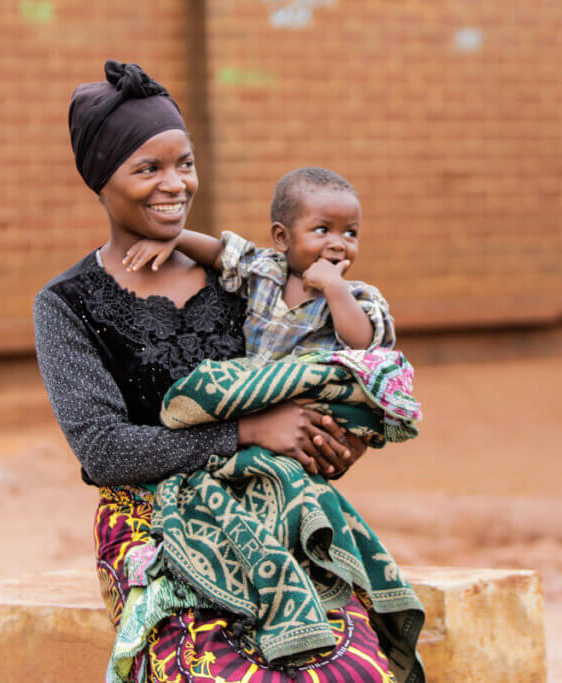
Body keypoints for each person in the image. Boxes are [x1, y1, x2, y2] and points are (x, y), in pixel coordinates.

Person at [33, 60, 405, 681]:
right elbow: (102, 451)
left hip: (277, 510)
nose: (175, 184)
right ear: (101, 180)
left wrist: (333, 442)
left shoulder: (250, 282)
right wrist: (248, 433)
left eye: (184, 163)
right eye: (147, 168)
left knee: (347, 670)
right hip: (153, 523)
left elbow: (331, 374)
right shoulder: (68, 304)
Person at [121, 166, 395, 371]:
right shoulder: (266, 273)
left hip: (308, 404)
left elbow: (362, 343)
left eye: (350, 233)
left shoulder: (356, 297)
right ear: (282, 237)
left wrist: (334, 288)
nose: (338, 243)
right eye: (322, 230)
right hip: (255, 396)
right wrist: (177, 237)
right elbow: (220, 253)